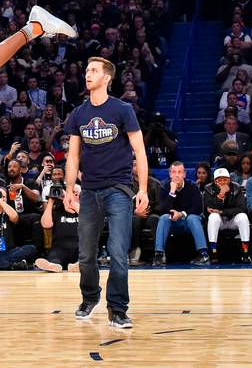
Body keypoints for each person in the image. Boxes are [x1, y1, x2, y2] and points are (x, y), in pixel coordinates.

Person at [62, 57, 149, 329]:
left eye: (94, 71)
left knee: (118, 252)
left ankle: (118, 309)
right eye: (87, 70)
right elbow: (73, 157)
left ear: (107, 77)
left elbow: (140, 152)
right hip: (88, 191)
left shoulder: (122, 110)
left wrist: (143, 189)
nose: (87, 74)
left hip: (119, 189)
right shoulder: (78, 114)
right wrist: (68, 189)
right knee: (86, 255)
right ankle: (90, 297)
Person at [151, 162, 208, 266]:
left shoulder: (193, 186)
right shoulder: (164, 186)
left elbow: (197, 208)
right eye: (174, 172)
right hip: (172, 222)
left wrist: (181, 214)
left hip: (188, 221)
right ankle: (159, 255)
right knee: (164, 218)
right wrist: (172, 192)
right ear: (170, 174)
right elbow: (162, 210)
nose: (177, 175)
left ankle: (203, 254)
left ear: (184, 174)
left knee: (193, 218)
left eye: (180, 172)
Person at [204, 168, 250, 263]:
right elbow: (209, 208)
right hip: (219, 221)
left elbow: (241, 208)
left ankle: (245, 252)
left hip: (233, 219)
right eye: (219, 180)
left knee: (243, 217)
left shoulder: (237, 188)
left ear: (229, 180)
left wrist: (222, 212)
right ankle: (213, 252)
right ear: (215, 181)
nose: (222, 182)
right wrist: (221, 195)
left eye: (225, 179)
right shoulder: (208, 189)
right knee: (213, 217)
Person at [36, 175, 80, 273]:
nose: (72, 195)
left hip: (80, 246)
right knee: (54, 258)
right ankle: (54, 265)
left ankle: (79, 265)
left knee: (87, 254)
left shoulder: (84, 210)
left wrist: (70, 201)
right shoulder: (57, 211)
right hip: (60, 247)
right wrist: (51, 201)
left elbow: (87, 218)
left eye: (75, 194)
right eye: (71, 193)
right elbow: (46, 225)